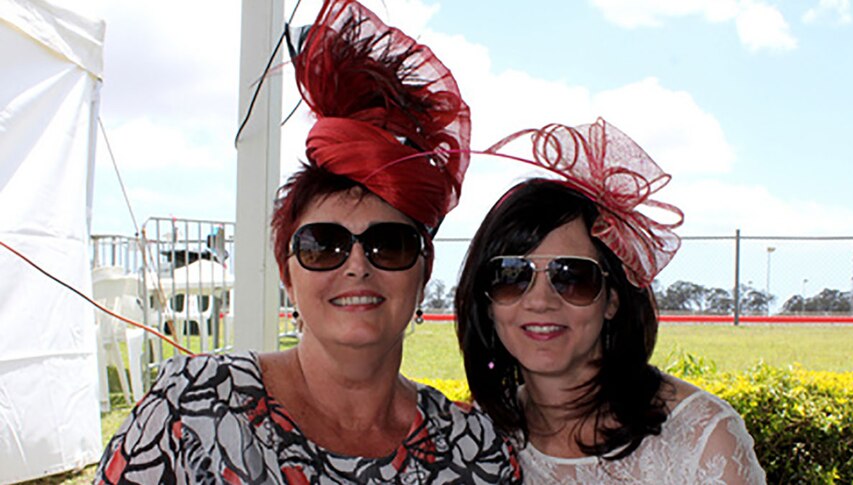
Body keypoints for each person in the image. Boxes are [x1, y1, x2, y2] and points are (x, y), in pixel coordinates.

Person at [94, 0, 520, 482]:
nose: (357, 264)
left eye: (390, 245)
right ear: (287, 274)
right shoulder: (192, 405)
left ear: (423, 275)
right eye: (324, 245)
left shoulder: (474, 450)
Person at [456, 119, 766, 484]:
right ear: (487, 303)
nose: (539, 300)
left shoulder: (702, 440)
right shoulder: (473, 437)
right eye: (512, 275)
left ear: (613, 300)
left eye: (571, 277)